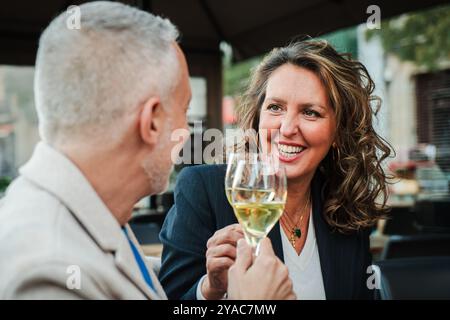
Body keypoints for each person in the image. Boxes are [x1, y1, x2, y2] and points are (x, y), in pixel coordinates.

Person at [0, 1, 294, 300]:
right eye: (184, 109)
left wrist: (210, 289)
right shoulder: (47, 272)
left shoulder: (93, 213)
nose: (187, 131)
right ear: (152, 121)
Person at [159, 40, 392, 300]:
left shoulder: (345, 209)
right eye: (275, 107)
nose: (287, 128)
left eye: (310, 112)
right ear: (258, 118)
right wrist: (210, 289)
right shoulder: (204, 189)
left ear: (338, 132)